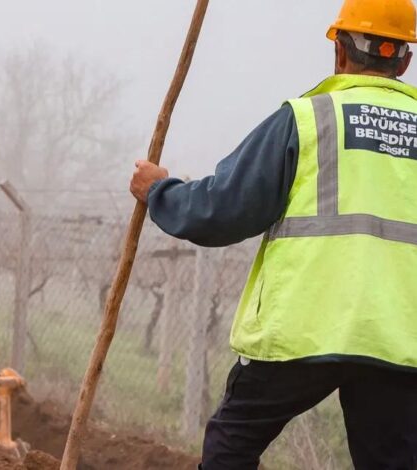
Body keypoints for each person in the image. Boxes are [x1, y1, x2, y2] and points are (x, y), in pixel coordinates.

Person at [129, 0, 417, 468]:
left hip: (303, 328)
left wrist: (159, 191)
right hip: (398, 338)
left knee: (232, 446)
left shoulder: (307, 120)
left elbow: (221, 211)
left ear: (339, 53)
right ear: (404, 60)